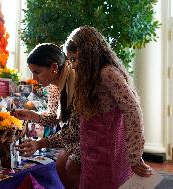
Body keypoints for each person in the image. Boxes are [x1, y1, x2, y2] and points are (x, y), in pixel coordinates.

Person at [63, 26, 151, 188]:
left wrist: (135, 155)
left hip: (109, 157)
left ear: (88, 54)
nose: (73, 66)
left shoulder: (108, 73)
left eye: (75, 59)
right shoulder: (88, 80)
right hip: (92, 156)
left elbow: (133, 110)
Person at [13, 43, 80, 189]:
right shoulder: (53, 85)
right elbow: (53, 116)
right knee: (62, 162)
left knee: (69, 163)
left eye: (37, 72)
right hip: (76, 137)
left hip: (94, 138)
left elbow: (75, 131)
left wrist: (40, 143)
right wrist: (32, 115)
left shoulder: (76, 83)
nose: (34, 78)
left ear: (54, 67)